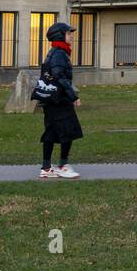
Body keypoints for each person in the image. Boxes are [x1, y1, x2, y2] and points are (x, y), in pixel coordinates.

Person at [39, 22, 84, 178]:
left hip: (52, 100)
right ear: (60, 36)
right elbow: (59, 76)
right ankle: (63, 165)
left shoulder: (57, 51)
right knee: (69, 130)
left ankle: (46, 168)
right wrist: (73, 96)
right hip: (59, 100)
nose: (71, 36)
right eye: (68, 33)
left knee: (51, 132)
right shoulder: (59, 53)